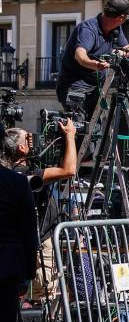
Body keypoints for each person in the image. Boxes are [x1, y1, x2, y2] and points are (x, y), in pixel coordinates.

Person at [3, 123, 78, 303]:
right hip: (39, 242)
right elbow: (69, 170)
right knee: (42, 296)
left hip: (26, 242)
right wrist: (70, 136)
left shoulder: (9, 174)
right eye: (28, 138)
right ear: (21, 148)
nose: (33, 140)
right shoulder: (26, 174)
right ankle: (37, 319)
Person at [0, 160, 39, 322]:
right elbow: (28, 232)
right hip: (6, 269)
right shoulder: (14, 182)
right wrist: (28, 273)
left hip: (7, 267)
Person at [56, 0, 129, 118]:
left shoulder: (116, 29)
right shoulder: (88, 29)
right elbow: (80, 55)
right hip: (76, 86)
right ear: (121, 17)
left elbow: (127, 49)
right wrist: (95, 65)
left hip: (97, 87)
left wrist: (121, 53)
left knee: (96, 127)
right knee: (78, 125)